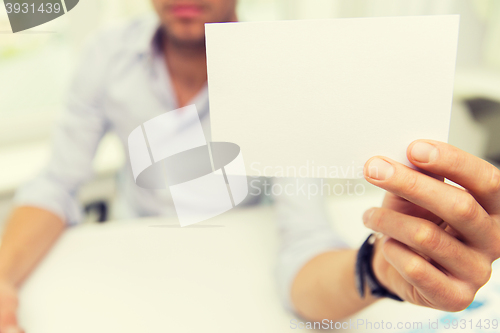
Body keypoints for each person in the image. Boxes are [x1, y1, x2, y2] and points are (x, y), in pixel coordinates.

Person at [1, 1, 499, 332]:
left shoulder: (278, 69)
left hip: (232, 263)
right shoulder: (107, 55)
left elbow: (304, 240)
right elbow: (57, 184)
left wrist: (379, 270)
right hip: (135, 260)